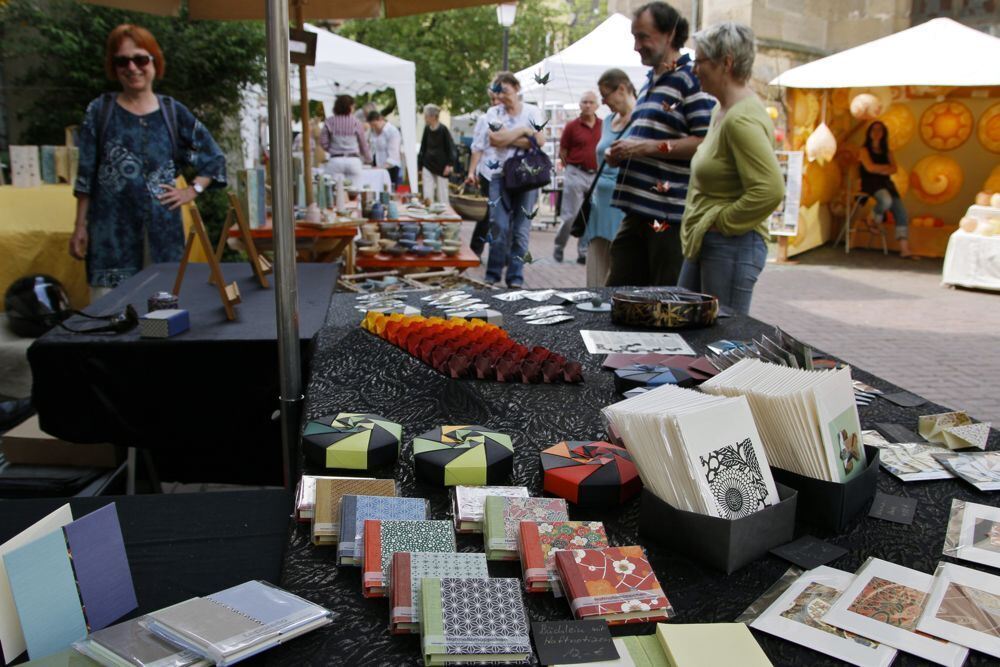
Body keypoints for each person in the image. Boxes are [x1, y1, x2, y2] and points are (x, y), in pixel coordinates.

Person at [71, 24, 226, 301]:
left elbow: (213, 158)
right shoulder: (100, 111)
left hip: (163, 237)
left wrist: (192, 191)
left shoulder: (172, 113)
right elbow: (85, 175)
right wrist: (79, 226)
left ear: (154, 61)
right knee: (110, 314)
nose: (132, 67)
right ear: (114, 66)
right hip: (110, 238)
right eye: (122, 61)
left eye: (140, 59)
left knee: (164, 313)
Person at [605, 2, 715, 286]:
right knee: (619, 298)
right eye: (634, 37)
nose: (636, 45)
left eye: (643, 36)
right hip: (638, 214)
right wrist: (623, 153)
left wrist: (641, 148)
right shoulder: (650, 82)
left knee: (663, 304)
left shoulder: (690, 78)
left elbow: (704, 142)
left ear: (670, 34)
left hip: (666, 221)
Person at [678, 22, 784, 315]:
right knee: (692, 333)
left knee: (723, 342)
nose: (694, 69)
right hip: (711, 242)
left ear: (726, 62)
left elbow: (770, 189)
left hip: (730, 245)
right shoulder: (721, 111)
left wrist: (721, 222)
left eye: (700, 61)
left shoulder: (741, 119)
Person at [473, 71, 547, 287]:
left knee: (521, 229)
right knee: (498, 225)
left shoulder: (533, 111)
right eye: (497, 92)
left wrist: (514, 135)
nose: (502, 96)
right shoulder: (493, 112)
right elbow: (495, 139)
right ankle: (493, 274)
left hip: (527, 176)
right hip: (500, 176)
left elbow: (540, 140)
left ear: (516, 88)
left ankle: (515, 277)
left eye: (505, 90)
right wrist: (525, 132)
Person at [585, 70, 637, 287]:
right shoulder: (607, 121)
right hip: (599, 205)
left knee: (619, 272)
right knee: (595, 273)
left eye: (606, 96)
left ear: (622, 89)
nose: (604, 102)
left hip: (624, 204)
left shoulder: (641, 119)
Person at [553, 91, 601, 264]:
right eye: (584, 102)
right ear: (580, 105)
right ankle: (559, 246)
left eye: (591, 102)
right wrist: (570, 169)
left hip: (596, 175)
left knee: (591, 215)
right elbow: (563, 151)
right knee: (570, 215)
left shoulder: (603, 125)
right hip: (575, 172)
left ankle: (583, 252)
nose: (587, 105)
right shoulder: (572, 126)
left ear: (597, 105)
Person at [860, 120, 914, 258]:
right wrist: (884, 169)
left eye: (880, 130)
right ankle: (872, 219)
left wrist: (880, 169)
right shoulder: (864, 150)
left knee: (901, 213)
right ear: (869, 133)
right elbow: (869, 168)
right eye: (874, 130)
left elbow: (894, 168)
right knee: (885, 200)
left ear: (884, 134)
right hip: (871, 183)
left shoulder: (887, 151)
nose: (877, 133)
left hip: (886, 184)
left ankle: (904, 249)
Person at [466, 84, 502, 256]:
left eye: (498, 98)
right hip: (489, 172)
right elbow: (477, 148)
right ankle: (475, 249)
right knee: (488, 215)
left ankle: (501, 254)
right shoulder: (484, 119)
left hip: (509, 173)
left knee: (503, 217)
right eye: (492, 98)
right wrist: (471, 172)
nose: (495, 102)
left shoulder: (515, 117)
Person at [320, 94, 372, 182]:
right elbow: (363, 144)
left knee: (334, 191)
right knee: (354, 192)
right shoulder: (356, 122)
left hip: (335, 160)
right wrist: (368, 158)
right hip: (353, 160)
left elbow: (323, 142)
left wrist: (332, 149)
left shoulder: (329, 121)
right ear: (350, 107)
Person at [418, 104, 458, 204]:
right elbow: (423, 148)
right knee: (427, 194)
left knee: (442, 195)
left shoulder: (443, 130)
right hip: (428, 164)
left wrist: (450, 164)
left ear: (433, 117)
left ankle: (445, 217)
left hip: (442, 167)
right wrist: (420, 166)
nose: (424, 118)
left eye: (426, 115)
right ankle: (428, 218)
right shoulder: (427, 129)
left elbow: (451, 148)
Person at [367, 110, 403, 190]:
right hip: (378, 167)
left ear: (380, 119)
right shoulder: (373, 132)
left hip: (391, 168)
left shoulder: (392, 131)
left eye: (375, 125)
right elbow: (372, 149)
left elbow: (394, 156)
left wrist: (381, 168)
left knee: (389, 191)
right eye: (372, 126)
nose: (374, 128)